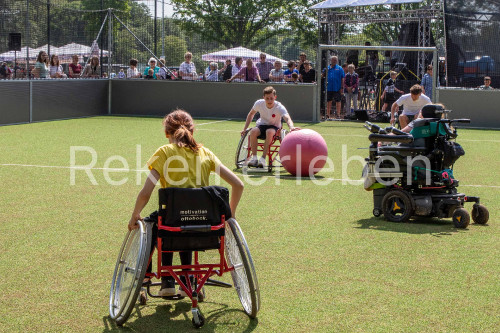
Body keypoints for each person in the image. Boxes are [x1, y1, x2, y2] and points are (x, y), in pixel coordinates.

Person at [128, 109, 244, 297]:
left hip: (172, 220)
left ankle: (155, 279)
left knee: (152, 223)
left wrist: (135, 215)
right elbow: (238, 185)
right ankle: (188, 280)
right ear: (193, 131)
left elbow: (145, 193)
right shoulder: (205, 153)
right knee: (183, 220)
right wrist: (231, 215)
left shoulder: (165, 152)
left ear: (167, 133)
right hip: (205, 222)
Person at [241, 86, 298, 168]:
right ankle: (254, 158)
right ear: (263, 97)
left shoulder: (279, 107)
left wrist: (291, 127)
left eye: (271, 98)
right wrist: (245, 128)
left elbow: (287, 117)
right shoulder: (259, 103)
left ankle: (263, 159)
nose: (269, 100)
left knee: (269, 131)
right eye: (267, 98)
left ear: (275, 97)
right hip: (262, 125)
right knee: (253, 131)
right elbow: (251, 114)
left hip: (274, 127)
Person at [324, 55, 345, 120]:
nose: (335, 61)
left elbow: (342, 78)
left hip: (337, 88)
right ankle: (327, 114)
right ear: (331, 60)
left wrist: (342, 88)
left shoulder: (340, 68)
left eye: (336, 60)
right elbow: (323, 75)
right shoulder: (327, 68)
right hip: (329, 87)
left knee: (338, 101)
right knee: (328, 101)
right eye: (333, 60)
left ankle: (338, 115)